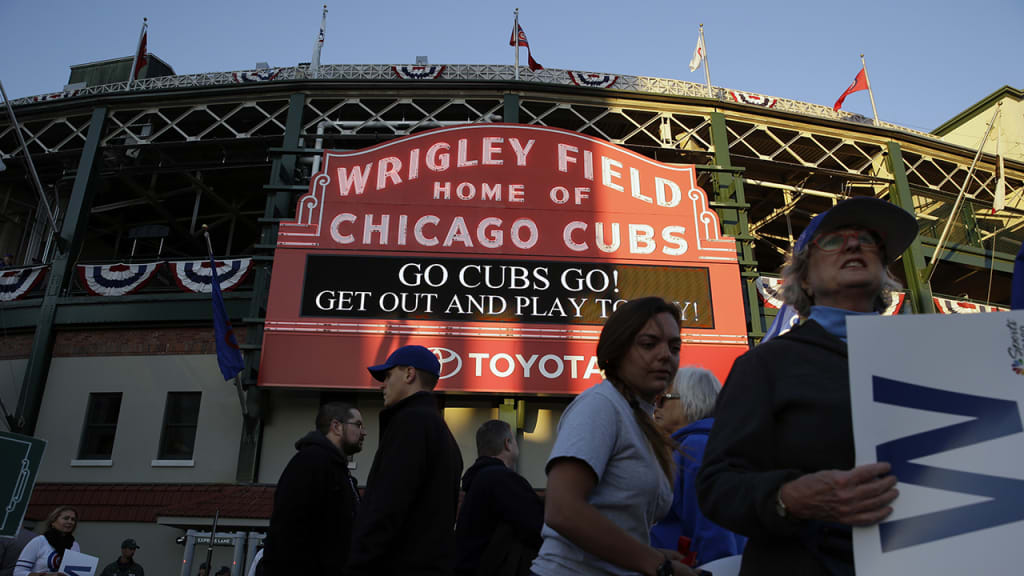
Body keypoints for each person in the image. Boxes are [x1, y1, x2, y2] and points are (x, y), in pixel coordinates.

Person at [697, 196, 913, 575]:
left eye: (867, 240)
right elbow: (717, 486)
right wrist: (787, 497)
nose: (852, 245)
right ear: (805, 279)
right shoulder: (766, 364)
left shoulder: (929, 360)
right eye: (832, 240)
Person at [531, 297, 698, 576]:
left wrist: (655, 554)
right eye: (648, 344)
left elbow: (617, 523)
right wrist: (659, 566)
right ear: (618, 350)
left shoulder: (641, 419)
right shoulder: (601, 405)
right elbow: (562, 509)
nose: (665, 355)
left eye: (674, 347)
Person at [347, 345, 464, 576]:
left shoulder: (410, 423)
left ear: (409, 374)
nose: (383, 384)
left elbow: (386, 504)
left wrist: (357, 564)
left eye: (389, 375)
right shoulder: (442, 432)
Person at [650, 367, 745, 566]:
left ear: (691, 399)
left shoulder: (696, 447)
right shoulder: (712, 444)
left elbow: (712, 528)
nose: (655, 408)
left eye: (662, 399)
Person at [263, 402, 366, 576]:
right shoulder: (309, 464)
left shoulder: (340, 472)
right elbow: (287, 534)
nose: (364, 432)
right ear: (336, 426)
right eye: (358, 425)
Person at [455, 419, 543, 576]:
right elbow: (538, 527)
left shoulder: (475, 480)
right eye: (514, 441)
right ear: (508, 443)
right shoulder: (502, 480)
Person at [14, 506, 81, 576]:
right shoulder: (39, 541)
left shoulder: (75, 545)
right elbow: (18, 572)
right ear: (53, 522)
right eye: (66, 518)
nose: (70, 522)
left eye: (73, 519)